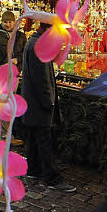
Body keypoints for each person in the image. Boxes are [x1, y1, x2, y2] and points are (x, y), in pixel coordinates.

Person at [21, 23, 75, 192]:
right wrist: (49, 101)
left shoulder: (33, 43)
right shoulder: (39, 46)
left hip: (32, 102)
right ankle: (52, 178)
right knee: (45, 141)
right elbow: (42, 80)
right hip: (39, 103)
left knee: (35, 138)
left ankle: (34, 169)